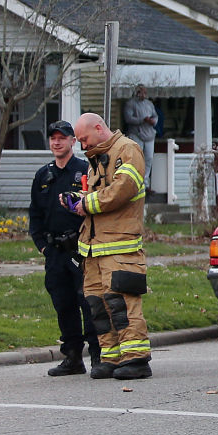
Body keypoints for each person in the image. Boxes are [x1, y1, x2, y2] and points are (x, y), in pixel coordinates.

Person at [64, 111, 152, 380]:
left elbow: (122, 190)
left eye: (84, 138)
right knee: (99, 306)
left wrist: (86, 203)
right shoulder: (96, 158)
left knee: (122, 305)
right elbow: (100, 193)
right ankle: (111, 357)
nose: (82, 145)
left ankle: (136, 359)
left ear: (99, 128)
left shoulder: (128, 150)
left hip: (120, 247)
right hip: (94, 249)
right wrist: (77, 199)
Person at [28, 119, 95, 376]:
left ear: (72, 141)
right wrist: (42, 245)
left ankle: (98, 356)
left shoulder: (85, 171)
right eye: (53, 138)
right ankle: (72, 358)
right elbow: (35, 214)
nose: (56, 142)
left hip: (80, 250)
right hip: (54, 252)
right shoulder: (44, 175)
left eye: (62, 138)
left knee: (87, 302)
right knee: (63, 304)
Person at [123, 85, 159, 196]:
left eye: (144, 92)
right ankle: (135, 184)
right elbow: (128, 118)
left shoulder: (149, 104)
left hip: (149, 134)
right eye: (140, 92)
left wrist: (153, 121)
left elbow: (155, 116)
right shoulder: (130, 104)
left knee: (148, 159)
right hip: (136, 134)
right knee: (137, 159)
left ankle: (145, 184)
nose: (143, 94)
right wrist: (142, 119)